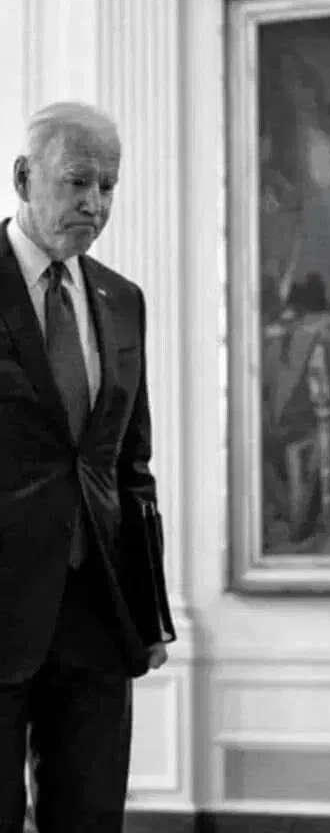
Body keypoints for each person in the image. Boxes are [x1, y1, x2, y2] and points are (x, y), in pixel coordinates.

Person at [0, 101, 174, 832]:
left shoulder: (121, 299)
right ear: (23, 178)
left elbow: (131, 466)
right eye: (77, 182)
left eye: (108, 185)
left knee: (92, 819)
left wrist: (150, 610)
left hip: (97, 610)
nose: (95, 204)